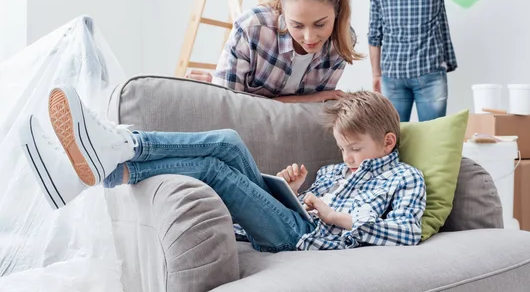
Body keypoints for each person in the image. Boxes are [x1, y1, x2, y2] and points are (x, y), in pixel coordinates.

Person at [20, 87, 425, 252]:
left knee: (216, 169)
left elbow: (408, 231)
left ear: (388, 142)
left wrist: (341, 217)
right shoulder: (337, 173)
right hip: (294, 219)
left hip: (302, 239)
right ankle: (108, 166)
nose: (347, 157)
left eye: (355, 149)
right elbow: (303, 207)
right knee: (227, 143)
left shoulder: (405, 178)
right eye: (342, 148)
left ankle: (118, 150)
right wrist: (291, 190)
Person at [187, 0, 363, 103]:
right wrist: (307, 99)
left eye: (320, 24)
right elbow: (228, 107)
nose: (309, 38)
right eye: (297, 25)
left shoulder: (342, 39)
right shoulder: (252, 27)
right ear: (282, 10)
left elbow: (315, 110)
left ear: (337, 9)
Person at [368, 0, 488, 121]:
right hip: (428, 71)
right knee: (433, 135)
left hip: (392, 74)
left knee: (395, 135)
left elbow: (374, 35)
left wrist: (376, 75)